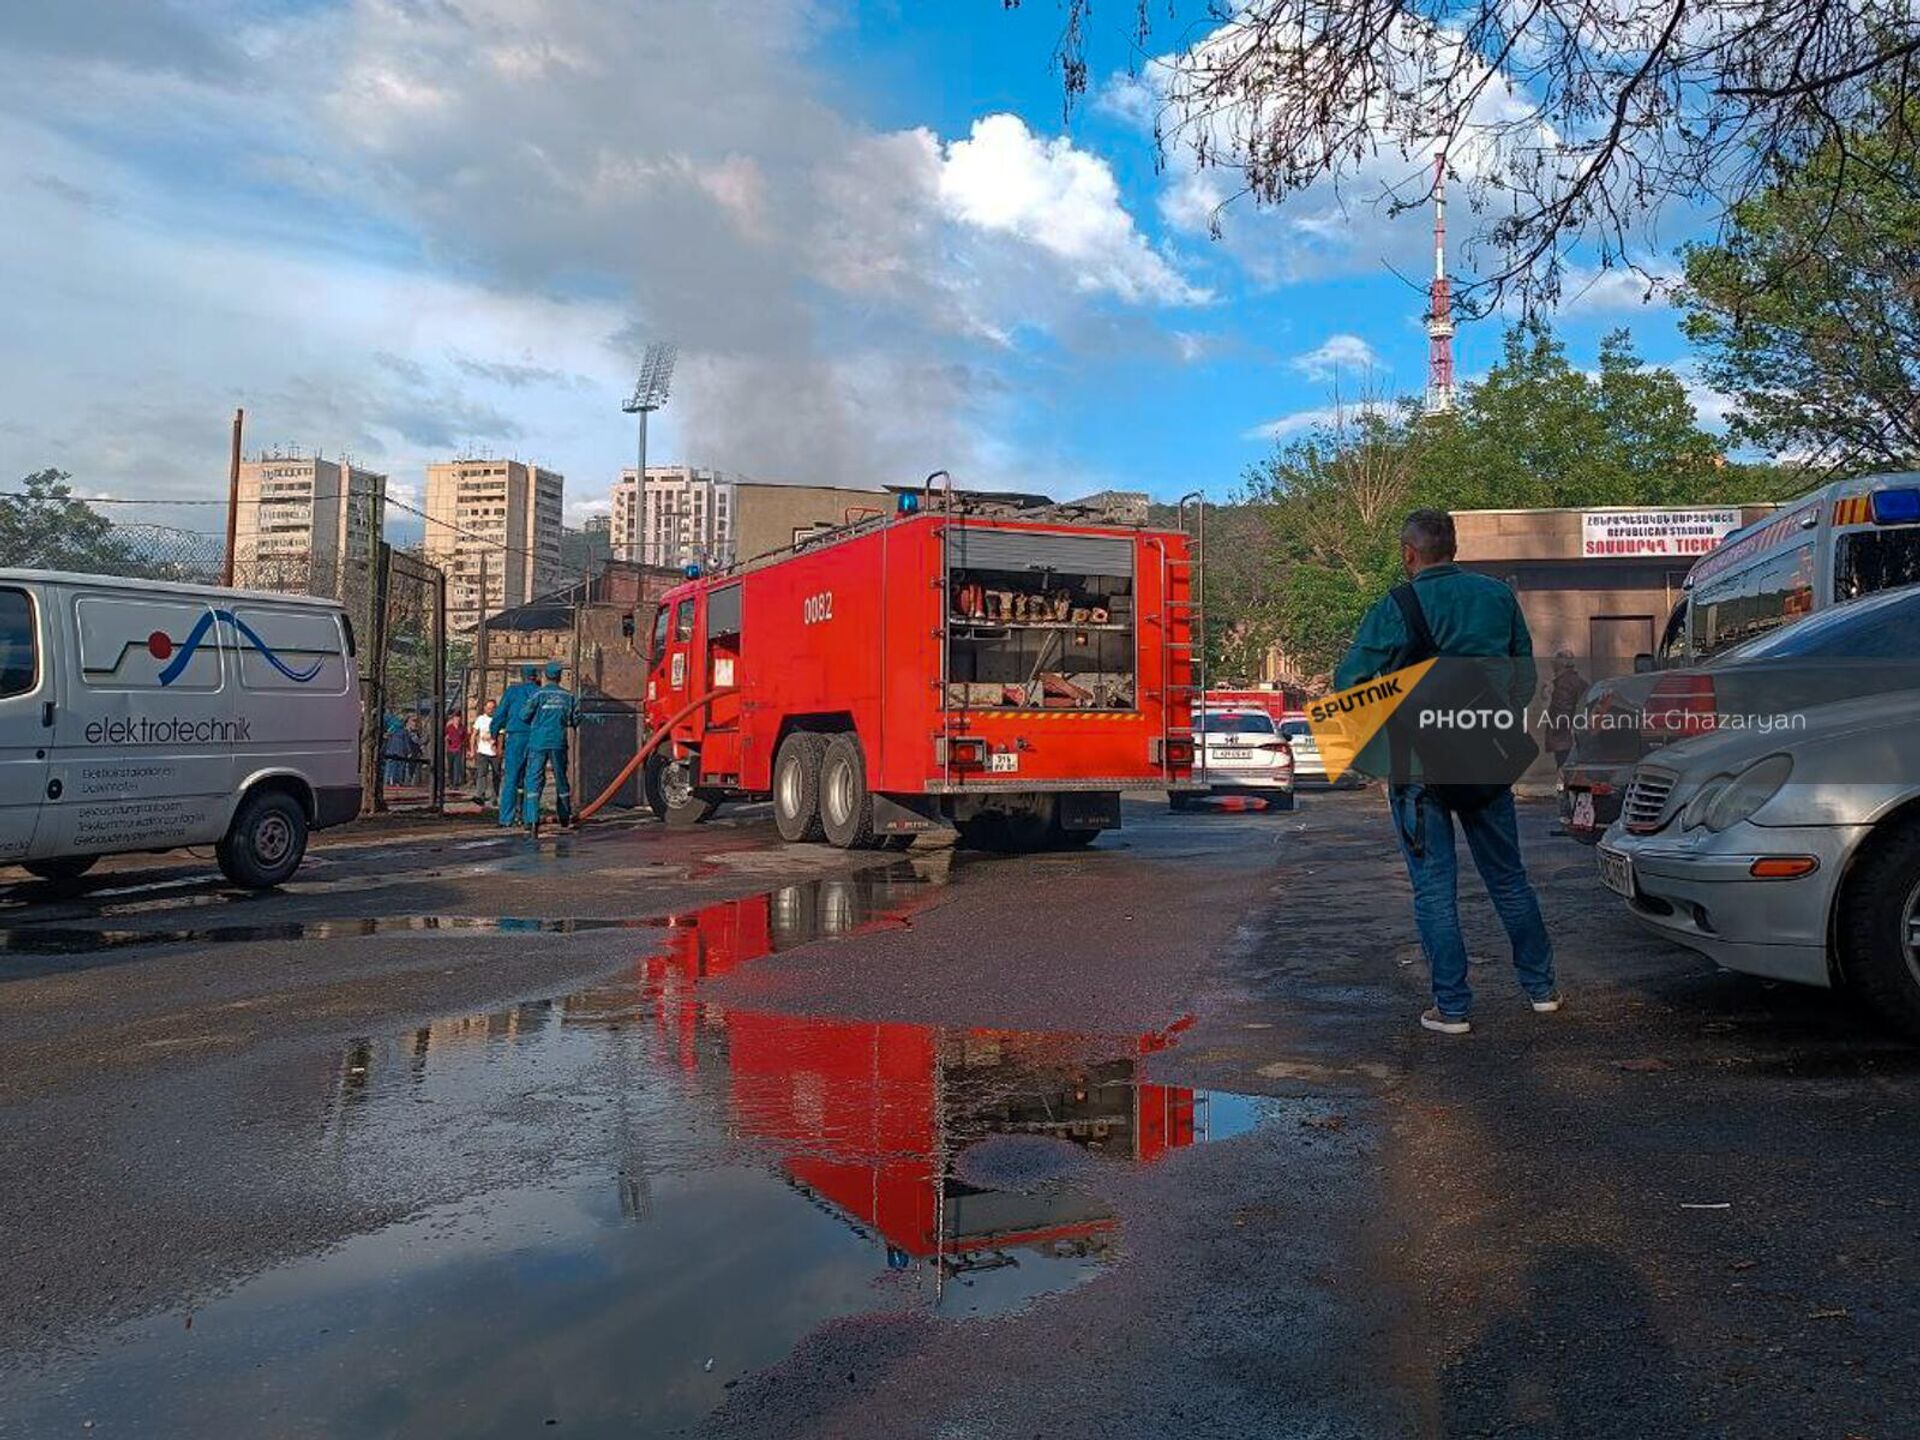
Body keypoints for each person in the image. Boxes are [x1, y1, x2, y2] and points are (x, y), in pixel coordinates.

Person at [1334, 508, 1559, 1035]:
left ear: (1409, 554)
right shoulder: (1498, 596)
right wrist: (1493, 715)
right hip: (1486, 758)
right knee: (1508, 878)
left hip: (1418, 767)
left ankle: (1452, 1009)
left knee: (1434, 889)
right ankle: (1542, 990)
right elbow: (1524, 676)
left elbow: (1350, 682)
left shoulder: (1397, 604)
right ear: (1453, 548)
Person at [520, 660, 579, 837]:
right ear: (560, 676)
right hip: (558, 742)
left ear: (545, 676)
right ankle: (564, 817)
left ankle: (532, 821)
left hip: (538, 742)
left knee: (533, 780)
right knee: (561, 778)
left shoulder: (538, 695)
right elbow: (575, 720)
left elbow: (524, 715)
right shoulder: (569, 697)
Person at [495, 665, 540, 827]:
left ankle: (506, 818)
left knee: (511, 779)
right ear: (536, 676)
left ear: (522, 676)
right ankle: (530, 818)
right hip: (536, 737)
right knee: (531, 779)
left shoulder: (512, 692)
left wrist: (495, 735)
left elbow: (500, 715)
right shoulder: (539, 692)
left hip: (515, 737)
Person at [1544, 648, 1589, 772]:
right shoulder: (1578, 681)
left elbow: (1562, 712)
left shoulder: (1563, 684)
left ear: (1559, 665)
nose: (1552, 667)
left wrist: (1554, 730)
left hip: (1564, 738)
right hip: (1575, 736)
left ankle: (1563, 790)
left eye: (1553, 663)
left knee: (1564, 771)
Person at [470, 698, 499, 806]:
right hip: (482, 751)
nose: (490, 710)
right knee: (482, 773)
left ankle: (494, 797)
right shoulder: (480, 719)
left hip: (495, 752)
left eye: (492, 708)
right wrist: (472, 750)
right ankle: (480, 796)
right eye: (488, 708)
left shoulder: (498, 719)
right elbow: (473, 735)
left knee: (496, 775)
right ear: (485, 708)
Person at [444, 708, 467, 791]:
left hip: (458, 749)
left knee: (457, 767)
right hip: (450, 750)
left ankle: (455, 783)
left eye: (459, 718)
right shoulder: (449, 727)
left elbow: (465, 738)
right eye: (456, 718)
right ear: (453, 719)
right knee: (450, 767)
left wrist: (463, 745)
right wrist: (447, 739)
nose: (457, 720)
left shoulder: (462, 728)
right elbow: (445, 737)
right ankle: (450, 781)